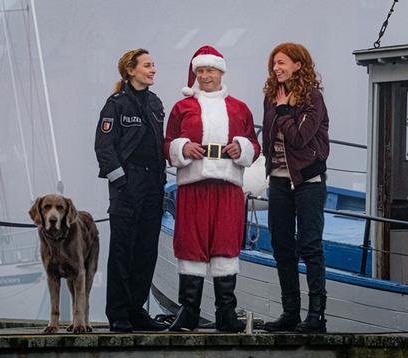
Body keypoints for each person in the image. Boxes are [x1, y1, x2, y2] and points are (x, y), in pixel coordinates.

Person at [164, 45, 260, 332]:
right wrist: (182, 147)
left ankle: (226, 313)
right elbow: (167, 142)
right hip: (193, 184)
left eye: (211, 70)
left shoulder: (239, 108)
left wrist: (241, 147)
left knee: (225, 244)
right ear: (195, 74)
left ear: (221, 72)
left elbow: (254, 145)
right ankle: (188, 312)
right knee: (191, 243)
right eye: (201, 71)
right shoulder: (183, 107)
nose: (206, 76)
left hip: (228, 186)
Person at [94, 48, 169, 332]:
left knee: (146, 250)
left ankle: (137, 310)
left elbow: (159, 143)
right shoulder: (116, 104)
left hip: (153, 185)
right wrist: (121, 181)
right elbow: (103, 147)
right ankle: (118, 314)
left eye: (154, 65)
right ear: (130, 70)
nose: (153, 70)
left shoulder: (155, 103)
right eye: (147, 65)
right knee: (123, 249)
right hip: (128, 186)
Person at [261, 43, 330, 333]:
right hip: (277, 179)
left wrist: (285, 110)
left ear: (298, 65)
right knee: (281, 246)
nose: (276, 68)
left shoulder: (312, 97)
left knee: (310, 247)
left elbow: (301, 138)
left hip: (307, 181)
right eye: (274, 63)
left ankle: (316, 316)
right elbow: (268, 136)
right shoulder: (271, 96)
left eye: (282, 63)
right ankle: (290, 311)